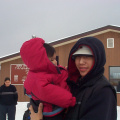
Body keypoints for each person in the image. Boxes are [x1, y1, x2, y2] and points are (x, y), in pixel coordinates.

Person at [29, 37, 117, 120]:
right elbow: (35, 108)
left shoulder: (103, 91)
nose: (81, 62)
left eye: (87, 57)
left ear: (98, 58)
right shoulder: (70, 84)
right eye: (77, 57)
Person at [20, 38, 76, 119]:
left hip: (58, 107)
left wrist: (66, 71)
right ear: (40, 61)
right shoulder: (37, 78)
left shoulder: (47, 71)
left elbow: (58, 76)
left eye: (55, 58)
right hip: (51, 112)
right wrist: (70, 100)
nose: (56, 61)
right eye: (52, 59)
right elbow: (52, 93)